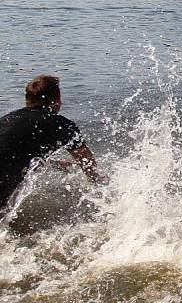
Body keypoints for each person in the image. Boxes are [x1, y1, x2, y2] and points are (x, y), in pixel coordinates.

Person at [0, 75, 104, 215]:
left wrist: (52, 163)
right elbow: (87, 161)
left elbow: (13, 152)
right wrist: (100, 184)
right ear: (56, 101)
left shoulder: (7, 119)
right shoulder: (62, 125)